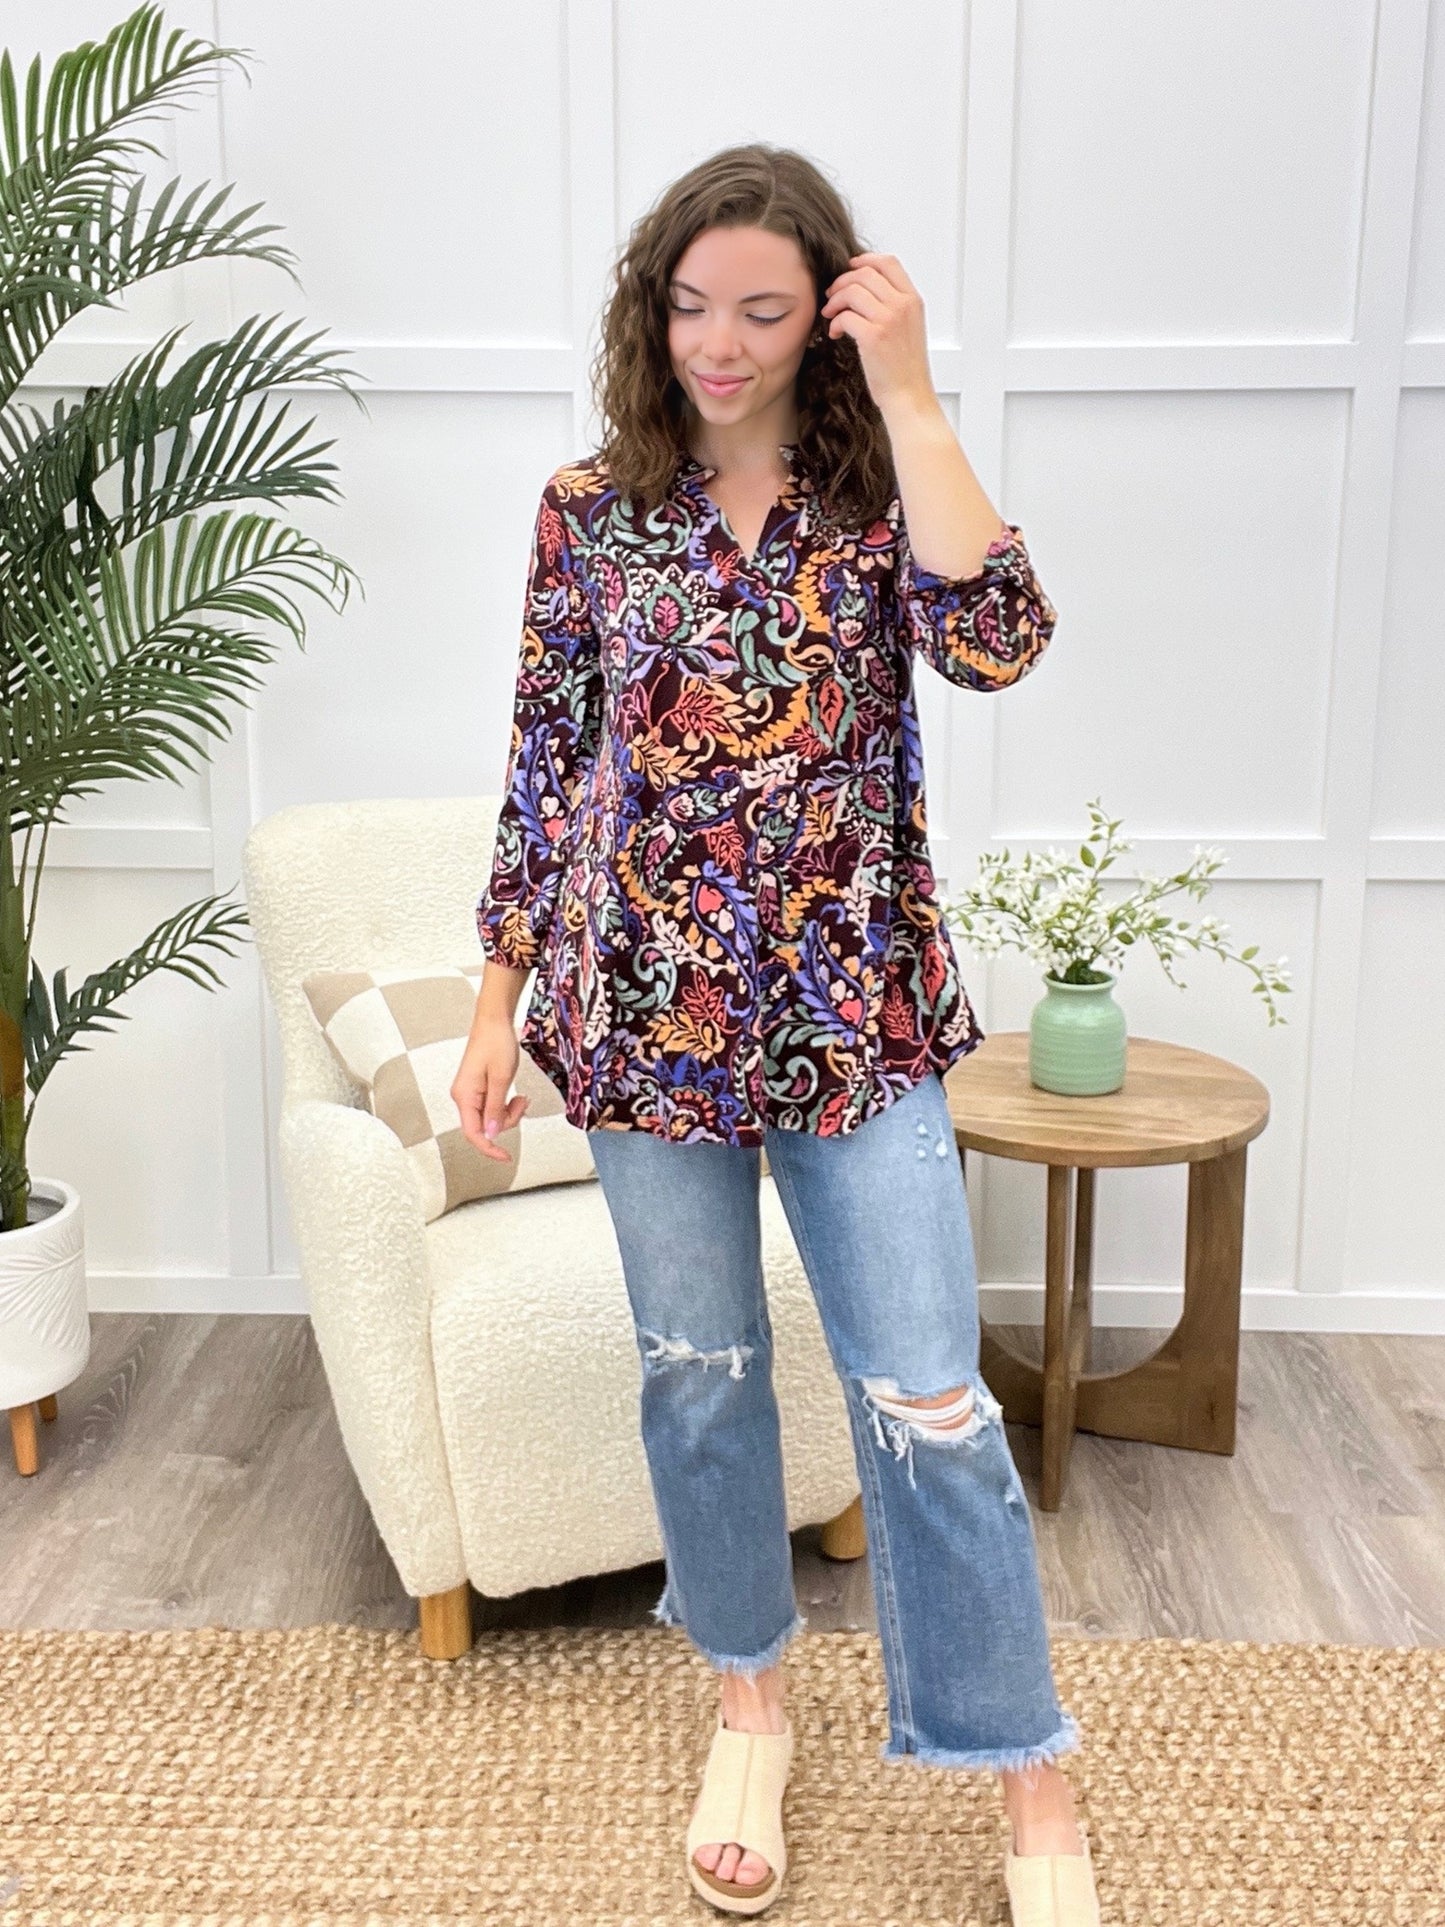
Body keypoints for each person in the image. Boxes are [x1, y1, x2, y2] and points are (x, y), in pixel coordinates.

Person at [453, 144, 1100, 1926]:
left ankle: (1026, 1774)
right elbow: (544, 766)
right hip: (640, 1015)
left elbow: (999, 645)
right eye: (689, 307)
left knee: (930, 1398)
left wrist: (912, 392)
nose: (719, 344)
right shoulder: (588, 511)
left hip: (853, 1018)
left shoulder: (876, 491)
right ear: (647, 310)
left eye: (760, 309)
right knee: (700, 1372)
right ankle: (749, 1707)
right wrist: (497, 1000)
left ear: (822, 313)